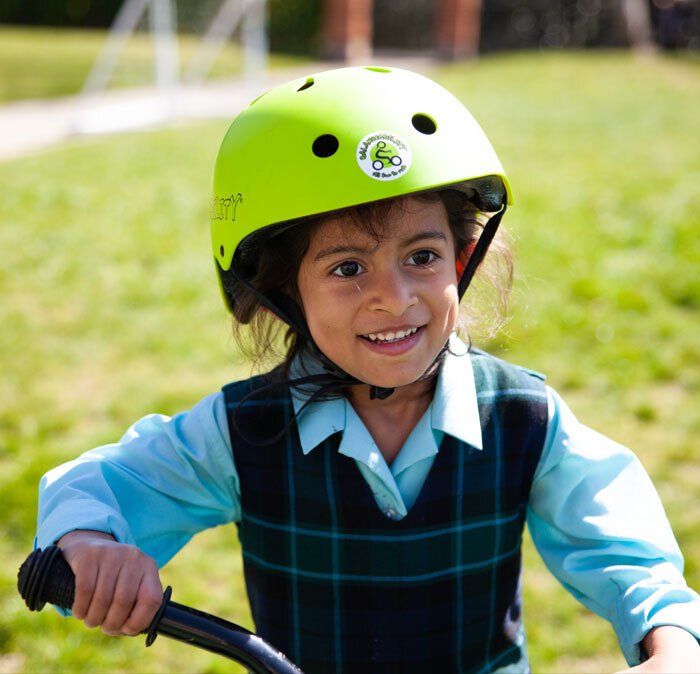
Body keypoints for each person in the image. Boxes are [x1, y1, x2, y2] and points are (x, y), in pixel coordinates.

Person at [35, 66, 700, 674]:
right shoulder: (243, 433)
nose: (396, 297)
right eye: (347, 268)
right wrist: (90, 542)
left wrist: (669, 640)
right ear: (283, 289)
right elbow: (103, 485)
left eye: (422, 256)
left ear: (461, 261)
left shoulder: (525, 418)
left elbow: (632, 559)